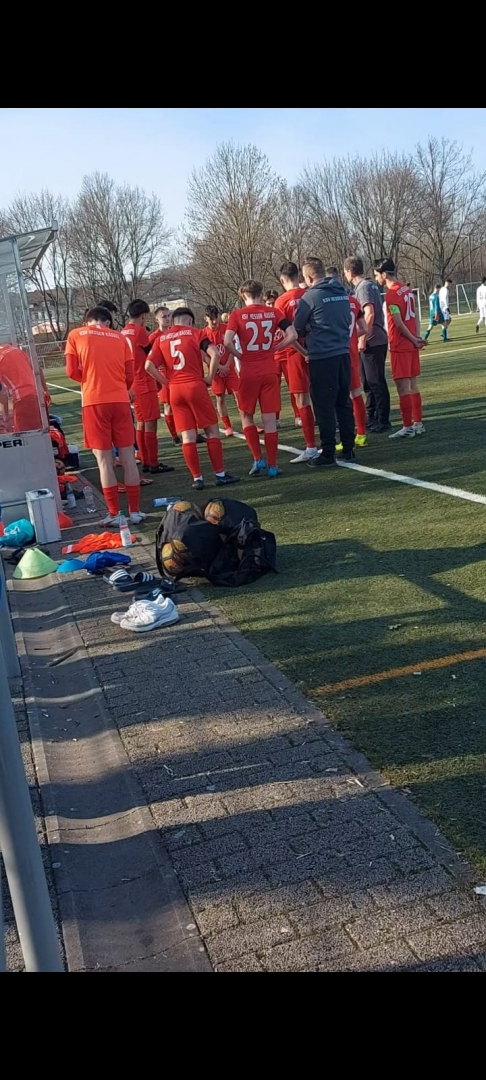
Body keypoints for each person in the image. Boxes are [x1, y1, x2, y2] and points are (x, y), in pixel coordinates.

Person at [65, 307, 145, 525]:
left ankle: (114, 513)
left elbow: (71, 371)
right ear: (108, 322)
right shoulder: (120, 337)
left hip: (94, 401)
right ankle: (135, 512)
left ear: (87, 321)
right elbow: (130, 375)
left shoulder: (76, 334)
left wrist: (89, 379)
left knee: (104, 461)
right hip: (120, 401)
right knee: (128, 458)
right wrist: (118, 386)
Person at [145, 307, 240, 491]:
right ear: (189, 321)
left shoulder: (161, 338)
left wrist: (167, 383)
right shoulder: (196, 333)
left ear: (174, 321)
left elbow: (148, 365)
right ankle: (220, 475)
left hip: (175, 390)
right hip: (195, 385)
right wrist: (210, 377)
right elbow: (215, 354)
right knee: (212, 430)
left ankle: (197, 478)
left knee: (187, 436)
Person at [224, 281, 295, 478]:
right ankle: (273, 465)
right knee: (269, 419)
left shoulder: (237, 315)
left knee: (246, 416)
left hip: (249, 370)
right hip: (269, 369)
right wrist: (276, 347)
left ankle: (258, 459)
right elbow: (292, 334)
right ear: (262, 293)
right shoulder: (273, 313)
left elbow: (227, 341)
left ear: (242, 295)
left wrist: (239, 355)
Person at [291, 258, 355, 468]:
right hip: (343, 354)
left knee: (324, 407)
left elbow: (297, 329)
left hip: (322, 357)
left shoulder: (310, 297)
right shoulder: (342, 292)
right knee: (343, 403)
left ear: (309, 278)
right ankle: (348, 448)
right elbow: (347, 319)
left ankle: (328, 452)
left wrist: (311, 329)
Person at [374, 258, 427, 439]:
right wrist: (417, 338)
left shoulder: (392, 295)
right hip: (411, 344)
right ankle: (418, 423)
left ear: (384, 274)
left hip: (400, 345)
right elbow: (415, 315)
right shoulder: (406, 289)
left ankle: (407, 427)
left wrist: (412, 338)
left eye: (376, 275)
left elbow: (398, 323)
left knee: (402, 388)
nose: (376, 279)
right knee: (413, 385)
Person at [122, 300, 173, 476]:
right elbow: (150, 355)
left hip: (133, 383)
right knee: (150, 423)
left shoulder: (123, 332)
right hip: (144, 381)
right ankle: (153, 462)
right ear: (143, 315)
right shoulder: (140, 331)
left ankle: (145, 460)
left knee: (141, 422)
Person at [274, 261, 318, 464]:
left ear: (282, 280)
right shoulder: (309, 294)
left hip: (296, 354)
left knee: (303, 400)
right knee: (323, 395)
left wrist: (303, 352)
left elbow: (288, 335)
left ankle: (311, 446)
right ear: (298, 277)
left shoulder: (281, 302)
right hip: (318, 349)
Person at [344, 256, 391, 433]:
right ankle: (371, 416)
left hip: (373, 340)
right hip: (373, 339)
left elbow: (369, 313)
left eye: (345, 272)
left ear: (350, 272)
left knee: (375, 381)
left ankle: (383, 419)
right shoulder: (367, 285)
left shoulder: (363, 287)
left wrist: (363, 338)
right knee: (367, 382)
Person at [204, 305, 240, 437]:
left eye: (216, 317)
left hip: (229, 368)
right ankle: (227, 426)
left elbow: (232, 348)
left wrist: (227, 365)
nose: (214, 321)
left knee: (239, 394)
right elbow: (205, 356)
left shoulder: (226, 329)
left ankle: (248, 422)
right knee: (220, 398)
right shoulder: (203, 334)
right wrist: (219, 367)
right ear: (206, 318)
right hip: (215, 372)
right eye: (211, 319)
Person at [149, 307, 180, 444]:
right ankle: (174, 436)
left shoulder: (176, 332)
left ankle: (193, 433)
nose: (167, 318)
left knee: (184, 403)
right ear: (157, 320)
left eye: (168, 315)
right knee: (168, 405)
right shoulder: (153, 337)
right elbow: (148, 360)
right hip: (163, 374)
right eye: (164, 316)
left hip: (178, 372)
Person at [0, 344, 43, 432]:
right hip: (38, 396)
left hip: (23, 400)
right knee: (40, 434)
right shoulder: (12, 348)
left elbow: (2, 394)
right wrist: (45, 391)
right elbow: (37, 368)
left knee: (25, 436)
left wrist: (6, 418)